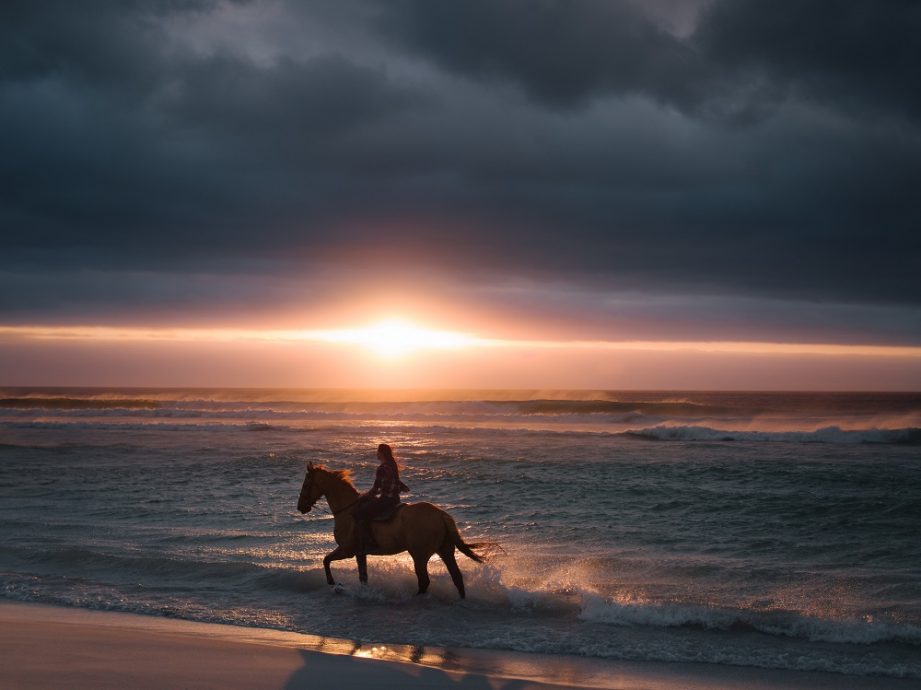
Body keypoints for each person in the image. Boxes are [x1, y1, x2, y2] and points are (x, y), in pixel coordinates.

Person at [352, 443, 408, 554]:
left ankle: (370, 543)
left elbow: (374, 490)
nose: (376, 453)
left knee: (359, 513)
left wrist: (362, 496)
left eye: (377, 451)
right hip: (395, 500)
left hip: (385, 500)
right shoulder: (393, 465)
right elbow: (396, 483)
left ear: (381, 453)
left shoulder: (382, 468)